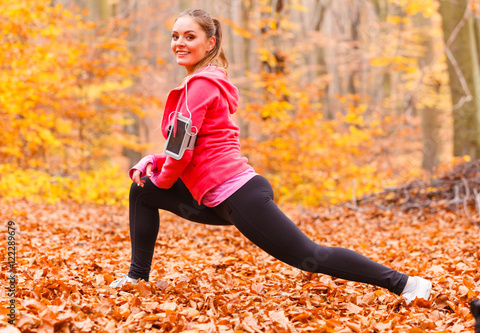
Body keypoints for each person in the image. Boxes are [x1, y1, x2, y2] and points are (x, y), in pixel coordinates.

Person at [110, 8, 432, 305]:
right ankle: (136, 277)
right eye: (175, 36)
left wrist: (163, 176)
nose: (179, 43)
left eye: (189, 36)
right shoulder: (201, 83)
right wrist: (153, 162)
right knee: (143, 190)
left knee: (310, 255)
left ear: (210, 43)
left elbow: (180, 152)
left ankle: (406, 284)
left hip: (238, 195)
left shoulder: (200, 86)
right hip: (215, 196)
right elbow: (189, 145)